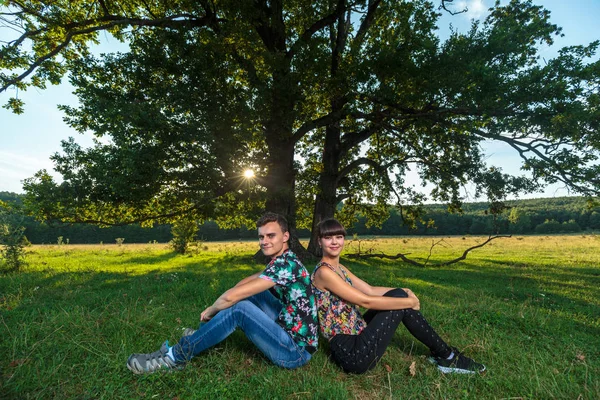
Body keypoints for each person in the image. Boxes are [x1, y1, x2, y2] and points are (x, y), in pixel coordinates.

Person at [127, 212, 318, 374]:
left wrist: (212, 311)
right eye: (261, 237)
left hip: (295, 352)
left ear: (285, 236)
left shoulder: (285, 264)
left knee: (239, 308)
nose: (264, 241)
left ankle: (174, 357)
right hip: (288, 328)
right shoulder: (284, 259)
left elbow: (230, 298)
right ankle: (206, 334)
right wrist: (231, 298)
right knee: (248, 295)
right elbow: (245, 284)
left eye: (271, 236)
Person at [311, 218, 485, 374]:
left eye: (339, 237)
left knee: (398, 295)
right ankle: (447, 356)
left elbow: (370, 290)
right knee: (399, 304)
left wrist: (404, 290)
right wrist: (408, 302)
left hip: (355, 335)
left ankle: (444, 354)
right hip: (352, 354)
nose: (334, 242)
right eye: (328, 237)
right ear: (319, 241)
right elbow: (365, 301)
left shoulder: (339, 268)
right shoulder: (324, 272)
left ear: (343, 239)